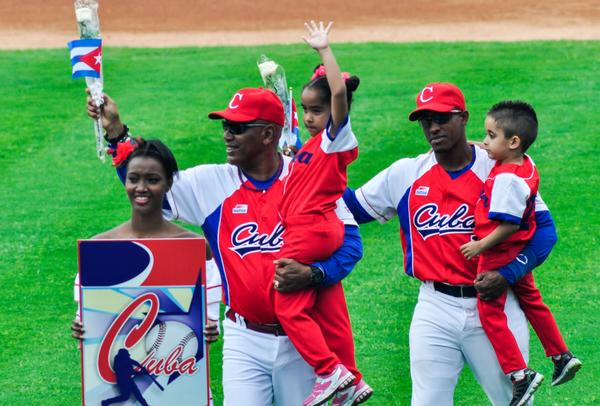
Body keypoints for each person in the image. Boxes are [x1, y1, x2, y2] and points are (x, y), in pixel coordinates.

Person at [83, 89, 364, 404]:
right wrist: (116, 131)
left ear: (269, 134)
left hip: (304, 343)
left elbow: (351, 246)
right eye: (226, 127)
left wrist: (314, 273)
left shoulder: (309, 177)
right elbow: (148, 187)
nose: (228, 135)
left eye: (239, 128)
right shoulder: (210, 183)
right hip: (244, 339)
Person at [343, 82, 559, 405]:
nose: (433, 127)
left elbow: (545, 232)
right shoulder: (406, 174)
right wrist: (304, 166)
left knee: (511, 401)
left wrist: (509, 273)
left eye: (442, 118)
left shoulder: (500, 169)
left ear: (464, 118)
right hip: (434, 308)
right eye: (425, 120)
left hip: (495, 305)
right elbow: (349, 209)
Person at [263, 21, 371, 406]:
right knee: (324, 306)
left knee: (285, 303)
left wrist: (325, 50)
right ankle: (352, 380)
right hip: (317, 230)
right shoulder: (310, 147)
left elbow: (339, 92)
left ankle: (328, 371)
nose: (310, 117)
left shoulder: (334, 139)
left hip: (310, 229)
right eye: (306, 110)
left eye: (317, 111)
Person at [71, 139, 220, 404]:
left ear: (168, 184)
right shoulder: (101, 248)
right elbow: (90, 318)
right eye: (134, 179)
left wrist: (209, 329)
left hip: (183, 387)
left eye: (152, 179)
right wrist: (82, 328)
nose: (141, 188)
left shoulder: (194, 248)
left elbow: (208, 318)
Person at [459, 101, 581, 405]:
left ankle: (519, 373)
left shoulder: (505, 181)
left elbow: (508, 226)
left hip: (499, 252)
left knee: (489, 312)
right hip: (519, 249)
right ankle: (561, 355)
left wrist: (479, 246)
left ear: (512, 141)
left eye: (490, 136)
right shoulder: (525, 162)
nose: (485, 142)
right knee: (532, 301)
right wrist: (473, 145)